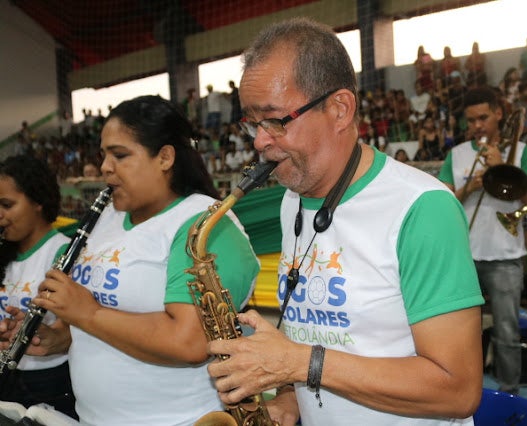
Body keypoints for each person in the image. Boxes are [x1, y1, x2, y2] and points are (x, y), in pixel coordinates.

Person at [206, 17, 484, 426]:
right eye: (252, 124)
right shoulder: (291, 201)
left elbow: (458, 390)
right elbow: (311, 339)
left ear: (340, 109)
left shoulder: (422, 208)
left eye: (275, 121)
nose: (260, 142)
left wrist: (299, 363)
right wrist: (288, 399)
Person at [17, 95, 260, 425]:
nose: (105, 167)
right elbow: (100, 323)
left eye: (120, 155)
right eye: (104, 155)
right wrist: (58, 336)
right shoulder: (105, 220)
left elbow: (190, 342)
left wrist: (87, 313)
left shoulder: (206, 225)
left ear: (165, 157)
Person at [439, 86, 527, 394]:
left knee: (507, 331)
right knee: (460, 329)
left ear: (498, 114)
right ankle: (461, 389)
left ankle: (509, 392)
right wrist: (470, 187)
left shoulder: (521, 151)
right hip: (464, 254)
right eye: (471, 120)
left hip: (506, 255)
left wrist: (500, 167)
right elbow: (443, 202)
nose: (477, 126)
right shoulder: (457, 154)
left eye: (483, 118)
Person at [0, 155, 76, 419]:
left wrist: (50, 334)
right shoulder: (5, 251)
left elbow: (75, 327)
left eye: (7, 205)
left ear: (37, 201)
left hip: (50, 381)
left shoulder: (63, 252)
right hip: (7, 377)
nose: (0, 214)